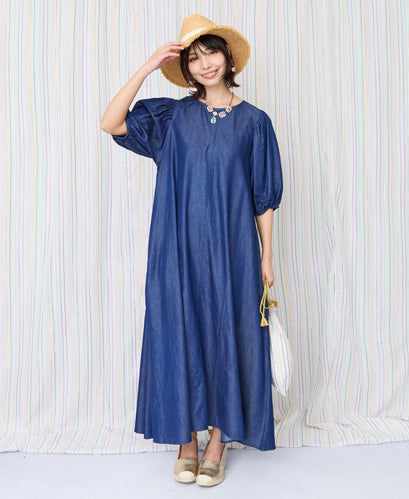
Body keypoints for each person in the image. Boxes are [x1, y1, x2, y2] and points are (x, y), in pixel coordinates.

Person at [100, 13, 283, 487]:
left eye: (211, 52)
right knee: (177, 333)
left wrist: (266, 257)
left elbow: (263, 196)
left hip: (233, 251)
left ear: (228, 57)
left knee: (229, 334)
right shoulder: (172, 118)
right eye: (194, 58)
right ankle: (186, 443)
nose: (205, 64)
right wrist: (146, 67)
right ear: (185, 68)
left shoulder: (255, 122)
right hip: (175, 251)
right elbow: (110, 122)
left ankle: (217, 443)